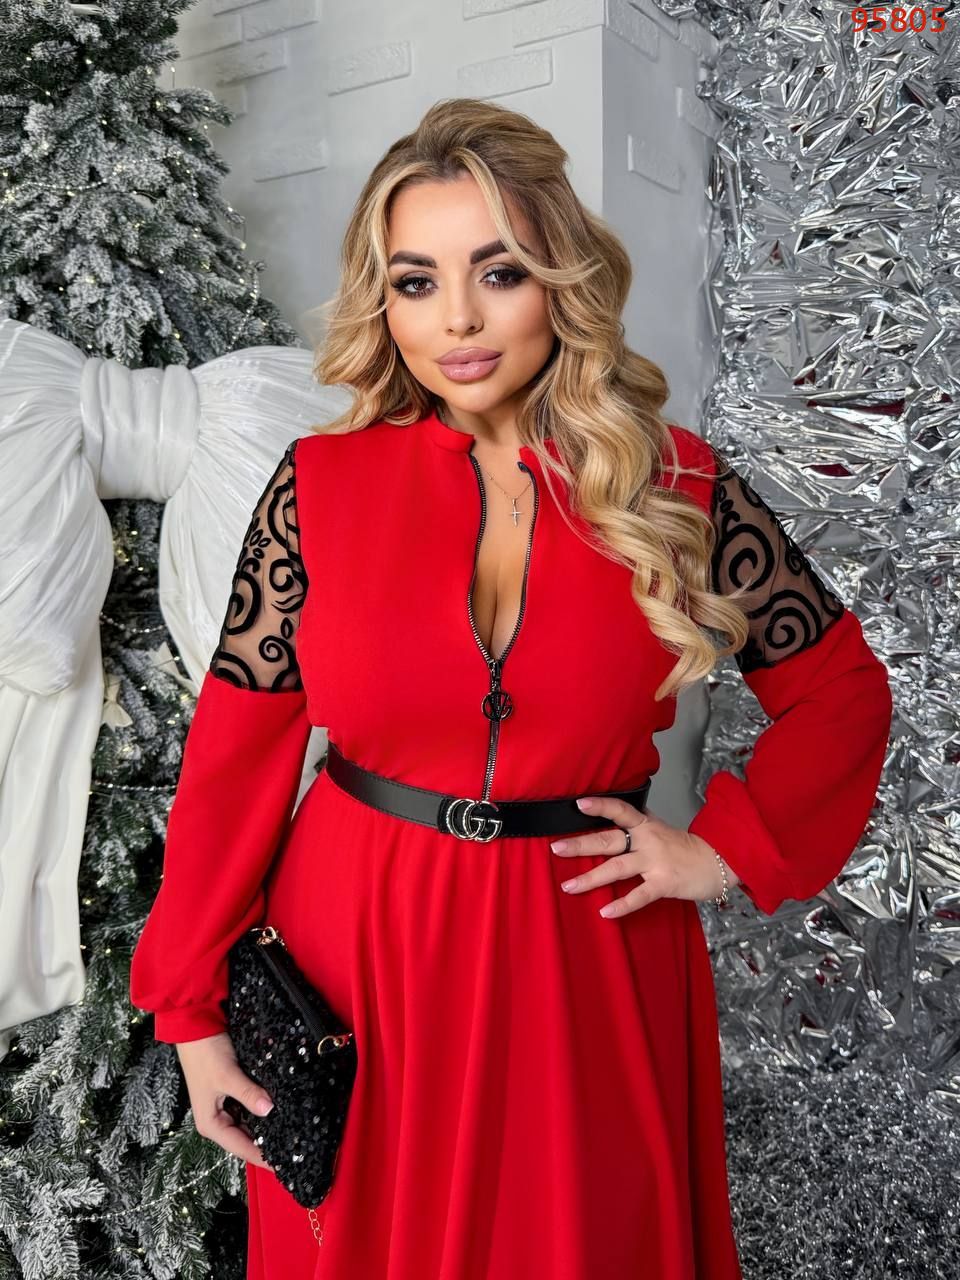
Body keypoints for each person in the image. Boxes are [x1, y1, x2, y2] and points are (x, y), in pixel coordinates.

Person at [129, 97, 893, 1280]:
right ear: (384, 302)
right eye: (416, 281)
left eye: (499, 271)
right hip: (357, 952)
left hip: (586, 955)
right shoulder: (317, 486)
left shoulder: (679, 487)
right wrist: (188, 1010)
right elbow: (235, 755)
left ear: (560, 281)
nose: (459, 319)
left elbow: (840, 688)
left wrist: (724, 849)